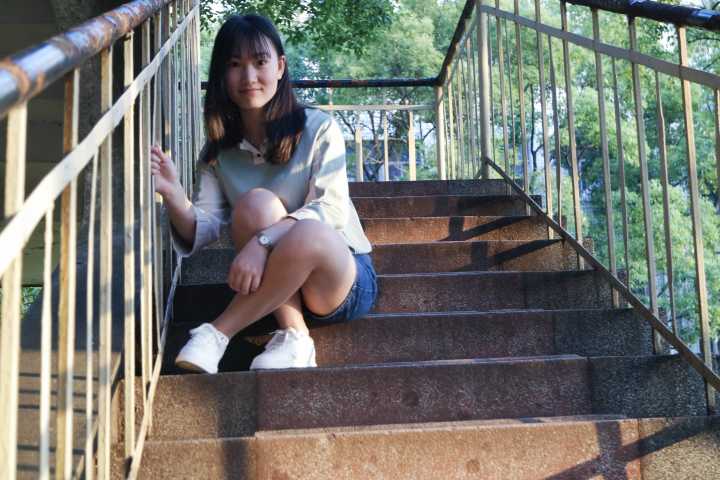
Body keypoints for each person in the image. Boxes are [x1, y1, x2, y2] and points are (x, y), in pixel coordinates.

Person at [150, 13, 377, 374]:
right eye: (235, 65)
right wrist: (174, 193)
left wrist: (263, 242)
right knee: (255, 204)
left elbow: (332, 210)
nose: (249, 77)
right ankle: (294, 336)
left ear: (280, 67)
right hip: (277, 289)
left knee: (309, 230)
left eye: (260, 62)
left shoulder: (318, 128)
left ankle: (217, 333)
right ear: (222, 75)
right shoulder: (218, 153)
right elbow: (203, 229)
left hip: (337, 279)